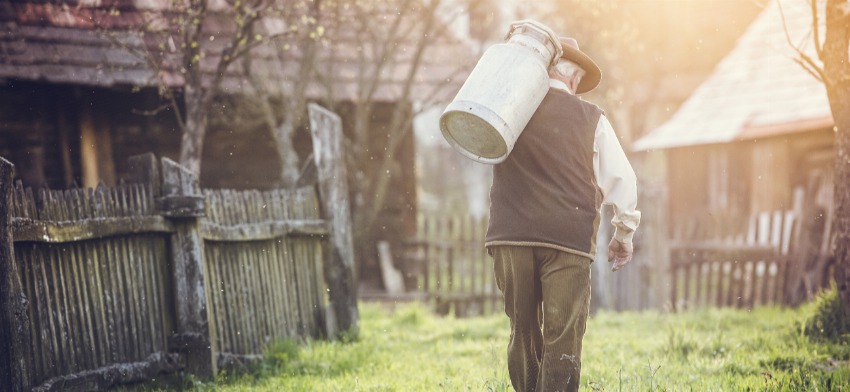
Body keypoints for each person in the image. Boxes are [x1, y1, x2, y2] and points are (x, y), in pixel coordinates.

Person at [485, 35, 641, 392]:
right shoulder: (591, 119)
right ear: (572, 78)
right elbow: (623, 179)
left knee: (522, 331)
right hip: (567, 239)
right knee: (563, 336)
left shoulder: (508, 107)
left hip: (510, 236)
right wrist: (624, 234)